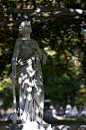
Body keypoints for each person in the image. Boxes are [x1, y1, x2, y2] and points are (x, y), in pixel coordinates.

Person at [11, 20, 47, 124]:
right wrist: (13, 71)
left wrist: (37, 48)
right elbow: (14, 58)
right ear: (21, 29)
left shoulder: (34, 42)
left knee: (38, 92)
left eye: (29, 25)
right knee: (25, 93)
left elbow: (41, 58)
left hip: (36, 71)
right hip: (23, 71)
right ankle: (24, 117)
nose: (27, 27)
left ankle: (39, 118)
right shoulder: (19, 41)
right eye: (25, 26)